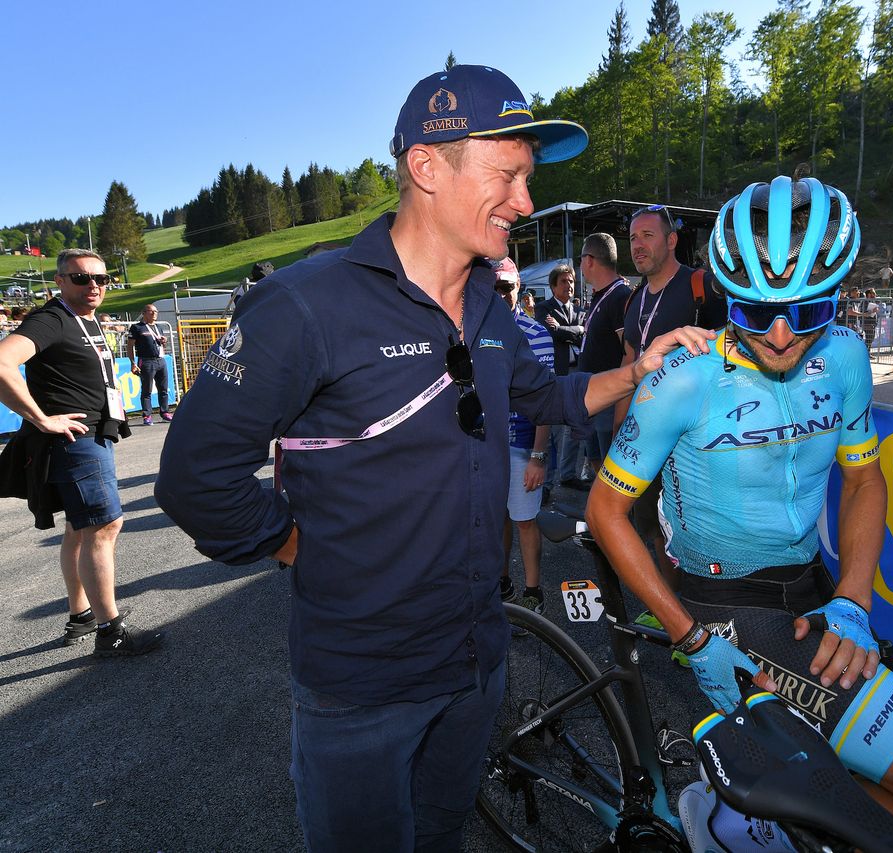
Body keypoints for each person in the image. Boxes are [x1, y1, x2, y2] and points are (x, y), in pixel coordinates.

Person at [153, 64, 713, 853]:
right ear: (426, 166)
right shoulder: (306, 303)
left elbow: (546, 396)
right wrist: (293, 544)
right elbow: (193, 477)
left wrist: (634, 370)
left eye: (527, 179)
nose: (524, 201)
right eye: (508, 176)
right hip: (363, 688)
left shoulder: (486, 299)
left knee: (442, 835)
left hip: (478, 660)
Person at [586, 176, 893, 852]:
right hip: (725, 604)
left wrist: (852, 597)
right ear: (728, 300)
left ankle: (767, 814)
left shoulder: (845, 356)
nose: (785, 336)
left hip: (811, 586)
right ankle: (738, 817)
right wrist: (689, 636)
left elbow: (865, 477)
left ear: (839, 293)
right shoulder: (682, 380)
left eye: (808, 310)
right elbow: (606, 510)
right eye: (758, 315)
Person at [0, 249, 161, 656]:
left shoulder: (82, 319)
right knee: (104, 527)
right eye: (81, 278)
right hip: (75, 440)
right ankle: (111, 632)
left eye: (101, 279)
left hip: (90, 437)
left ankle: (82, 614)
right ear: (59, 280)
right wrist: (42, 419)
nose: (93, 286)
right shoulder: (52, 318)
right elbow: (2, 363)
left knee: (80, 527)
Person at [619, 204, 727, 603]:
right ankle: (672, 607)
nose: (638, 245)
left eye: (648, 235)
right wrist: (618, 436)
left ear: (671, 240)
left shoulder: (702, 287)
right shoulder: (633, 301)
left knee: (696, 531)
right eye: (633, 238)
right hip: (644, 439)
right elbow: (627, 365)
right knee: (650, 525)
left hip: (696, 441)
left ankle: (702, 613)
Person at [492, 257, 551, 615]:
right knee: (496, 517)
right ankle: (501, 582)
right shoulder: (474, 332)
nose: (499, 296)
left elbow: (547, 401)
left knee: (524, 521)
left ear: (518, 289)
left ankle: (533, 590)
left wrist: (538, 457)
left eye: (506, 288)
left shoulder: (536, 334)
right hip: (486, 445)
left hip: (522, 445)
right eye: (492, 288)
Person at [576, 232, 630, 477]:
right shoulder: (601, 295)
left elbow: (629, 352)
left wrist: (620, 402)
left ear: (589, 260)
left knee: (613, 472)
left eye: (581, 261)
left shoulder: (620, 296)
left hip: (609, 402)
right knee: (596, 461)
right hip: (592, 401)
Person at [535, 264, 587, 491]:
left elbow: (585, 334)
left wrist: (570, 330)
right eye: (564, 282)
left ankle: (567, 475)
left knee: (575, 425)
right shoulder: (542, 308)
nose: (569, 286)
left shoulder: (580, 309)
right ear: (553, 286)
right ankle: (547, 483)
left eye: (572, 281)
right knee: (553, 431)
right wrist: (577, 330)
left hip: (577, 373)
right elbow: (551, 333)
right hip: (556, 374)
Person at [126, 304, 172, 426]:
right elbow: (130, 346)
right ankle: (147, 415)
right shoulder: (137, 327)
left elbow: (162, 345)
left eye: (156, 311)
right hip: (146, 361)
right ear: (144, 313)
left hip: (160, 360)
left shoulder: (159, 327)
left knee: (163, 388)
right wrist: (133, 363)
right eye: (151, 311)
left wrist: (164, 342)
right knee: (147, 390)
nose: (154, 314)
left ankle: (165, 412)